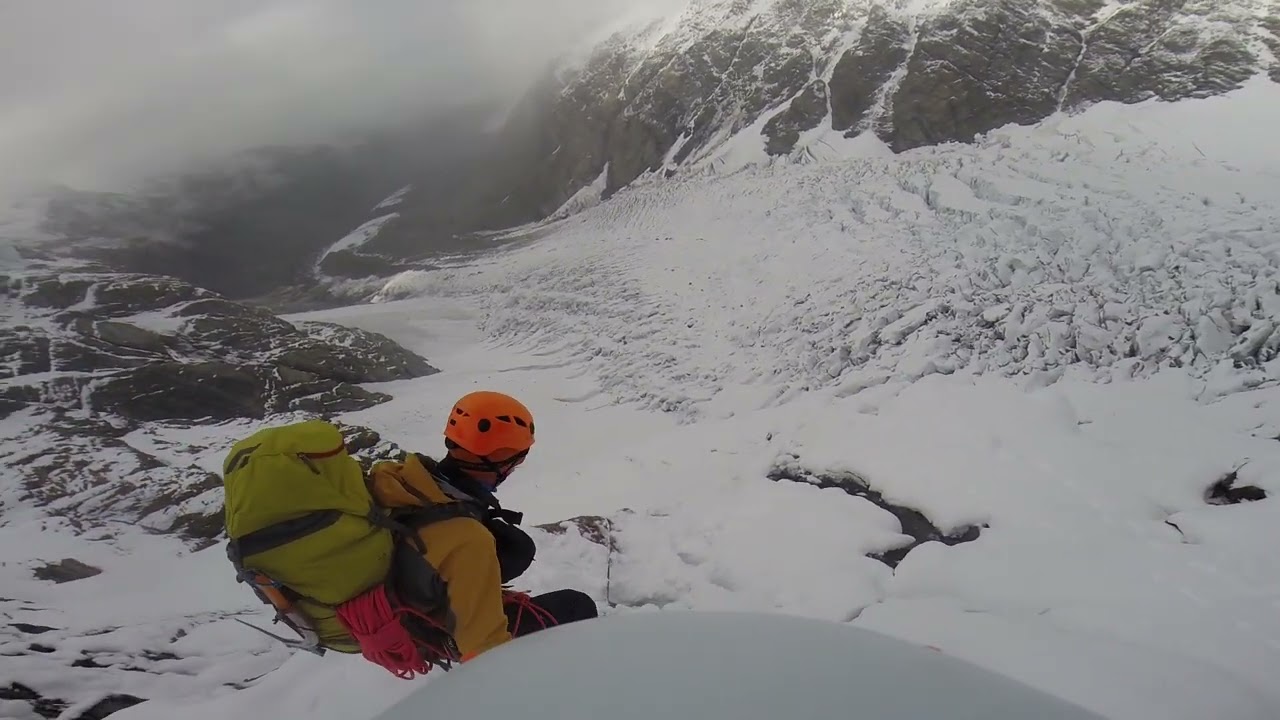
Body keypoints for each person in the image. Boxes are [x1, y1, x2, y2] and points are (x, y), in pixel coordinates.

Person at [365, 390, 599, 663]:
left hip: (401, 598)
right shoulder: (468, 539)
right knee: (575, 606)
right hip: (425, 630)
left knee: (515, 548)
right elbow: (485, 654)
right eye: (517, 459)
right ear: (503, 459)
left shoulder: (396, 480)